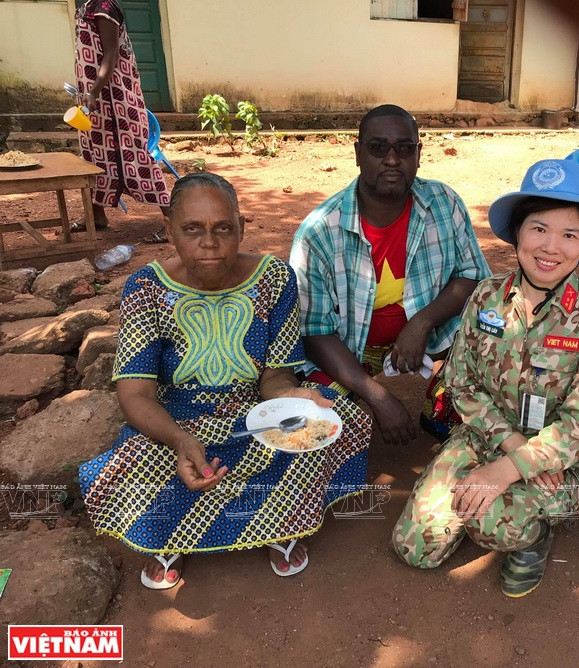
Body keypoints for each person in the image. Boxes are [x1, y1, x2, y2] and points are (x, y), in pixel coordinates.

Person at [78, 172, 372, 589]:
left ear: (241, 228)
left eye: (223, 229)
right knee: (134, 459)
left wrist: (288, 397)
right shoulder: (145, 288)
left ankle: (279, 521)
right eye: (192, 229)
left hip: (253, 414)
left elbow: (274, 375)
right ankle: (173, 534)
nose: (209, 243)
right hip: (176, 420)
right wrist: (179, 440)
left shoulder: (274, 278)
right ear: (169, 231)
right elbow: (136, 393)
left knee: (336, 420)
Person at [392, 159, 579, 597]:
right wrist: (508, 446)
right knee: (415, 549)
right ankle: (482, 506)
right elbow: (462, 383)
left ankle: (533, 538)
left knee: (493, 524)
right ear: (517, 233)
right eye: (538, 229)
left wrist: (514, 467)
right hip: (484, 436)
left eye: (570, 235)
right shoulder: (486, 296)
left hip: (558, 461)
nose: (551, 247)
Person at [289, 104, 490, 444]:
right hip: (352, 345)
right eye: (378, 147)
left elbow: (472, 274)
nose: (393, 160)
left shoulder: (444, 202)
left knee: (494, 357)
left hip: (433, 336)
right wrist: (378, 397)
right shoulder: (318, 232)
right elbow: (315, 330)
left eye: (405, 148)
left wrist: (421, 323)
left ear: (418, 154)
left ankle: (442, 406)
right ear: (358, 153)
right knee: (316, 421)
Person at [72, 0, 170, 237]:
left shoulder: (104, 7)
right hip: (98, 104)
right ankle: (96, 214)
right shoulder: (89, 6)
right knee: (94, 155)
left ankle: (173, 221)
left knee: (134, 155)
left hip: (115, 102)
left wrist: (94, 91)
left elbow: (111, 54)